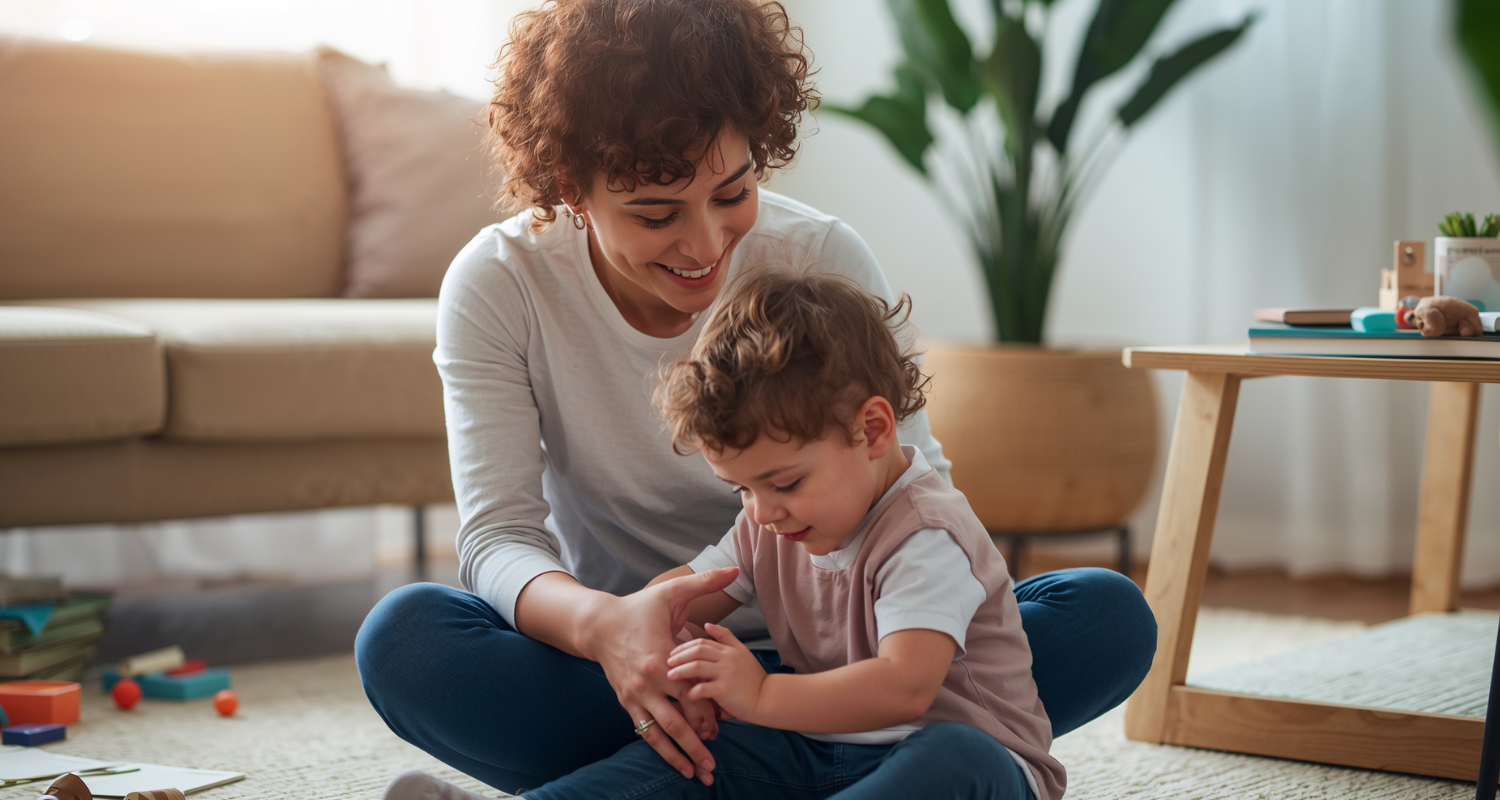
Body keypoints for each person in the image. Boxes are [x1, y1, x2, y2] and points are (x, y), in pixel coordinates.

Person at [355, 0, 1156, 797]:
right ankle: (794, 761)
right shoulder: (501, 284)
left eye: (733, 192)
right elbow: (498, 537)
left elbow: (914, 486)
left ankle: (778, 757)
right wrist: (613, 631)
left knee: (1102, 615)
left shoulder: (817, 258)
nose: (705, 247)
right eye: (657, 213)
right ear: (572, 188)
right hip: (639, 667)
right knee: (407, 641)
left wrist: (787, 689)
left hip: (867, 655)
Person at [512, 271, 1063, 800]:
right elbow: (680, 598)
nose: (762, 512)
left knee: (957, 757)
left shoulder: (925, 533)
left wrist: (760, 693)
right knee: (699, 755)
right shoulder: (768, 523)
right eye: (741, 491)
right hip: (820, 746)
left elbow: (905, 688)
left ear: (872, 429)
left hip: (967, 764)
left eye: (784, 483)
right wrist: (667, 654)